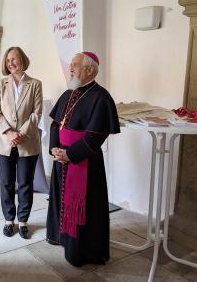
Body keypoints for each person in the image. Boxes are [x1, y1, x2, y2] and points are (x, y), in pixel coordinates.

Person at [46, 52, 120, 267]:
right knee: (60, 200)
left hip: (83, 162)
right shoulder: (69, 93)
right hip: (61, 159)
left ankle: (81, 251)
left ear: (90, 70)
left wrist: (70, 154)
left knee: (84, 208)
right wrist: (54, 148)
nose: (71, 68)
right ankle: (61, 237)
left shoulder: (101, 97)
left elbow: (95, 136)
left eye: (75, 65)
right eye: (71, 64)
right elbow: (54, 124)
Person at [0, 46, 43, 239]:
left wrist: (21, 133)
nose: (11, 63)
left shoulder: (35, 84)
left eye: (15, 59)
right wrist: (10, 132)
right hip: (5, 141)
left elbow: (37, 113)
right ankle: (8, 220)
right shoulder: (0, 84)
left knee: (25, 184)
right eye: (8, 60)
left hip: (27, 141)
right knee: (6, 183)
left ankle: (23, 221)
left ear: (22, 60)